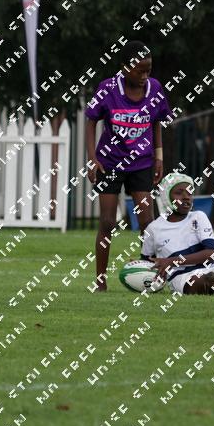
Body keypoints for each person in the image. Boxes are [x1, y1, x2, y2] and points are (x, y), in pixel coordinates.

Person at [86, 41, 171, 291]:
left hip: (142, 162)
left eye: (148, 70)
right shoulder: (108, 88)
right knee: (107, 222)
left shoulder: (155, 88)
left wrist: (159, 157)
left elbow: (156, 122)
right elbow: (90, 121)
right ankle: (100, 281)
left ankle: (149, 276)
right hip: (110, 163)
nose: (144, 76)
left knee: (147, 221)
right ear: (124, 68)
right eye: (139, 70)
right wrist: (92, 158)